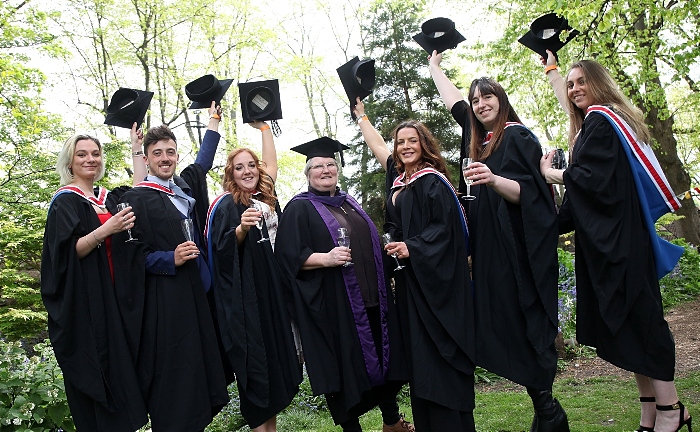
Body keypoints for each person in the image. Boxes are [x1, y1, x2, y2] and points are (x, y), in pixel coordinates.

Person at [539, 57, 692, 432]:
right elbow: (583, 194)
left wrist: (551, 174)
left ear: (598, 84)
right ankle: (650, 411)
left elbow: (588, 181)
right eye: (569, 84)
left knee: (642, 323)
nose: (573, 89)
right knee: (626, 329)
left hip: (621, 246)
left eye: (580, 82)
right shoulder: (596, 124)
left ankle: (673, 409)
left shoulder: (602, 120)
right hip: (609, 245)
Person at [429, 50, 569, 432]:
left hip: (518, 254)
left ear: (501, 99)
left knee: (524, 321)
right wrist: (434, 68)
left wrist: (492, 180)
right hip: (492, 254)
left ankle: (549, 413)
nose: (480, 104)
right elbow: (454, 102)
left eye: (487, 96)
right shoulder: (482, 142)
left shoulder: (517, 136)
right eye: (475, 100)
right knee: (504, 324)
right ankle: (546, 411)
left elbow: (534, 195)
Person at [353, 100, 477, 431]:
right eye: (400, 142)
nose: (405, 147)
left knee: (439, 354)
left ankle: (452, 423)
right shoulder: (400, 179)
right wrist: (362, 116)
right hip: (413, 285)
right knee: (421, 358)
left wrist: (412, 247)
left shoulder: (432, 181)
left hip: (438, 286)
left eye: (412, 141)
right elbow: (379, 147)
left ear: (424, 144)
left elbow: (445, 231)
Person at [275, 137, 413, 432]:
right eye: (319, 167)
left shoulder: (349, 202)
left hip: (371, 301)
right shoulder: (299, 209)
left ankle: (392, 422)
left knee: (384, 365)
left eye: (330, 165)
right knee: (343, 373)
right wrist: (324, 258)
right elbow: (287, 258)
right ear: (308, 174)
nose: (326, 170)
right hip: (335, 308)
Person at [114, 102, 230, 431]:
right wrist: (170, 259)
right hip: (168, 304)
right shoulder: (138, 198)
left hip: (199, 297)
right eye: (158, 153)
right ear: (147, 158)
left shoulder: (184, 190)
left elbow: (204, 160)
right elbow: (132, 257)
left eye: (171, 152)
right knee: (177, 384)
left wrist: (212, 120)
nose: (166, 158)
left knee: (201, 376)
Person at [41, 125, 149, 431]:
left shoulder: (107, 198)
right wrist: (106, 230)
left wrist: (136, 147)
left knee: (124, 378)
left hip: (118, 300)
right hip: (89, 306)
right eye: (82, 154)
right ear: (70, 162)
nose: (91, 159)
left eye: (96, 154)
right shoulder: (66, 201)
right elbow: (66, 254)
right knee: (100, 379)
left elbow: (139, 190)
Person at [205, 120, 302, 432]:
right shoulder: (227, 205)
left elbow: (270, 163)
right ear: (230, 175)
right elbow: (221, 250)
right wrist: (242, 229)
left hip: (275, 295)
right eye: (239, 168)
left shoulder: (265, 198)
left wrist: (264, 129)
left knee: (275, 370)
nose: (246, 171)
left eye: (251, 166)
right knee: (258, 370)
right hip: (249, 302)